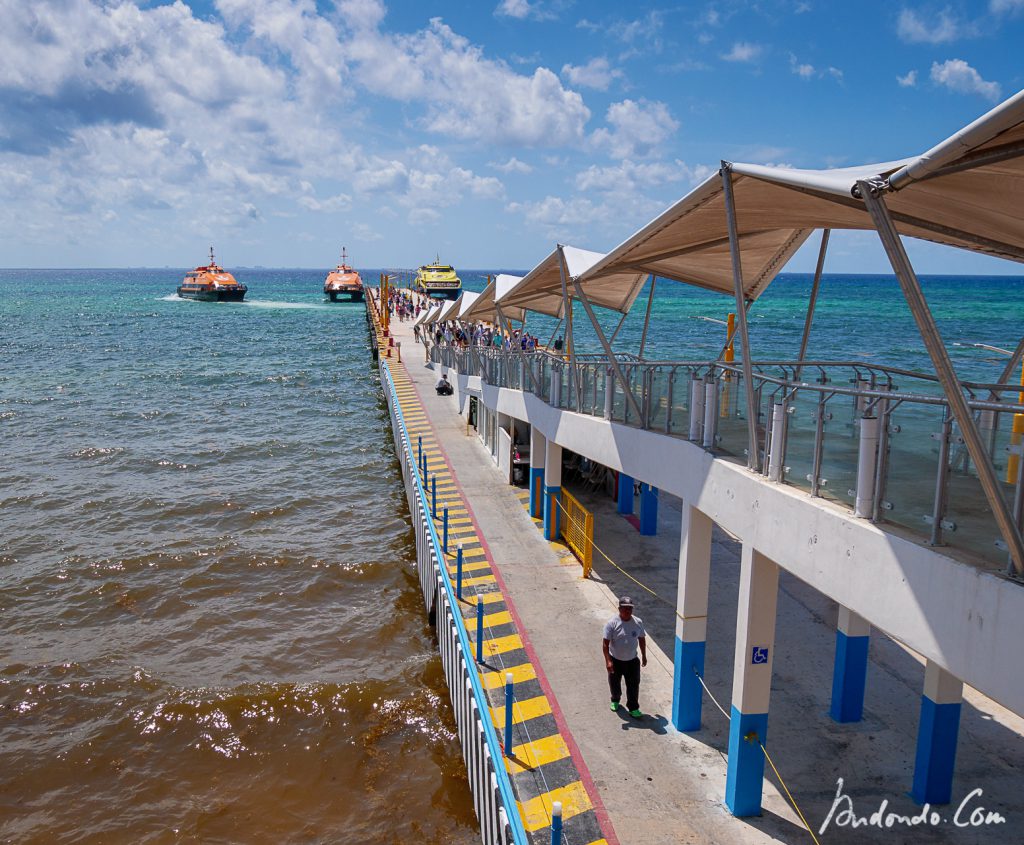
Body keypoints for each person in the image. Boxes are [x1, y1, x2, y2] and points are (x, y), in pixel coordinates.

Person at [602, 596, 647, 717]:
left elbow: (641, 639)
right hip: (616, 660)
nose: (628, 611)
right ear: (619, 609)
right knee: (614, 683)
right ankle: (615, 700)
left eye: (630, 608)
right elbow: (605, 644)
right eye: (625, 608)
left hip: (632, 661)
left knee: (633, 685)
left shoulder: (638, 622)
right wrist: (608, 661)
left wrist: (643, 655)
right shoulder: (612, 624)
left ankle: (633, 708)